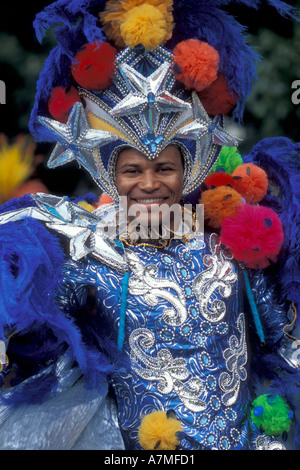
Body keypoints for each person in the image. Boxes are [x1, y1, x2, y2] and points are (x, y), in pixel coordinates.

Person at [0, 0, 299, 451]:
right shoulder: (90, 251)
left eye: (164, 169)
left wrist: (277, 427)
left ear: (190, 170)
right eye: (132, 171)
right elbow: (37, 326)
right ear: (109, 176)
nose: (149, 184)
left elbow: (281, 342)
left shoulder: (230, 243)